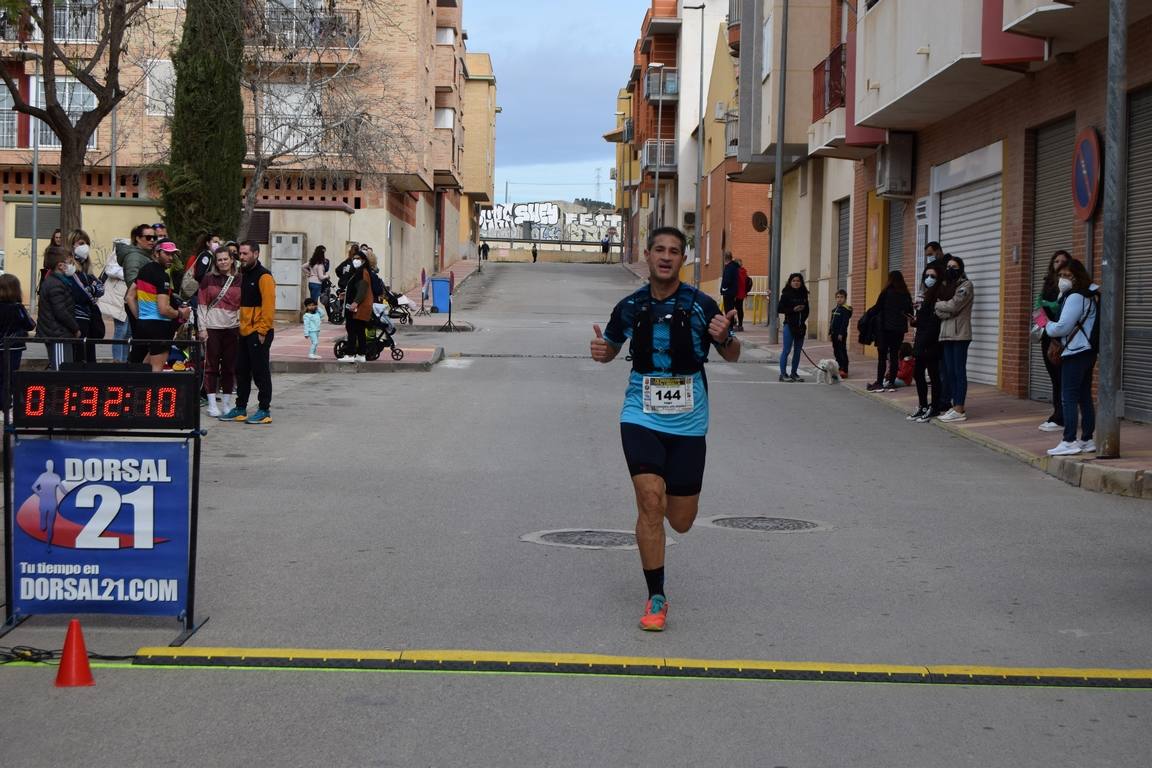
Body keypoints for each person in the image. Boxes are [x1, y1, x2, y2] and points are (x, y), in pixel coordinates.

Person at [590, 226, 740, 632]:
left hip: (690, 422)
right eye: (660, 249)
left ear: (683, 259)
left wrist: (725, 338)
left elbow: (733, 354)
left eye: (675, 251)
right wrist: (603, 353)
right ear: (649, 254)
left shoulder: (701, 305)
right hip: (641, 413)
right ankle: (656, 595)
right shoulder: (630, 306)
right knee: (650, 500)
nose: (666, 256)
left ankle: (669, 528)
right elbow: (612, 347)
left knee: (682, 519)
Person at [1043, 259, 1099, 456]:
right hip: (1087, 351)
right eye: (1060, 275)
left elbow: (1062, 327)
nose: (1062, 279)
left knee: (1068, 397)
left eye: (1067, 275)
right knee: (1084, 397)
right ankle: (1087, 439)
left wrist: (1045, 325)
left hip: (1076, 352)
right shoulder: (1089, 295)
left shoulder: (1075, 297)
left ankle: (1069, 441)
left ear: (1077, 276)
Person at [220, 241, 276, 425]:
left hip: (258, 331)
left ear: (256, 254)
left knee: (260, 373)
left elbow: (269, 306)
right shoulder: (244, 274)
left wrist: (262, 331)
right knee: (241, 371)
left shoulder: (264, 276)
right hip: (244, 331)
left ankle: (264, 410)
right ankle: (240, 408)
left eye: (245, 254)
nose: (241, 257)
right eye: (240, 254)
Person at [126, 239, 191, 372]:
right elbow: (164, 309)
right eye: (167, 254)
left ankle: (138, 392)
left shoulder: (144, 270)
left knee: (145, 368)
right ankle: (151, 393)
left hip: (143, 325)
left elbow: (129, 297)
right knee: (156, 371)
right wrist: (180, 314)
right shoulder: (162, 276)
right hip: (159, 327)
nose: (171, 258)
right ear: (156, 253)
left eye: (173, 254)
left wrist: (140, 317)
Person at [197, 245, 242, 417]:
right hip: (212, 327)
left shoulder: (240, 279)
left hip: (232, 328)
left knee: (229, 367)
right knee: (211, 366)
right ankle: (211, 404)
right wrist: (202, 328)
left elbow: (242, 305)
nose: (223, 262)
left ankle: (226, 404)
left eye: (226, 259)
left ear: (232, 260)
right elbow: (201, 305)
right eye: (219, 259)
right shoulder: (208, 279)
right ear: (216, 262)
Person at [934, 255, 975, 423]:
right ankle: (954, 405)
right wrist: (943, 308)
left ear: (961, 268)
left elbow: (954, 306)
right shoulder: (947, 286)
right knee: (949, 372)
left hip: (960, 335)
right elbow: (942, 312)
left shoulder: (966, 285)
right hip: (945, 334)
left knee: (959, 372)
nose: (950, 269)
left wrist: (937, 304)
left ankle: (959, 407)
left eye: (954, 266)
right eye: (948, 266)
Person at [1035, 249, 1071, 432]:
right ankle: (1058, 413)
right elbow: (1038, 310)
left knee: (1062, 378)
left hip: (1063, 338)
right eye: (1056, 261)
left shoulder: (1068, 287)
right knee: (1055, 379)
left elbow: (1063, 313)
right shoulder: (1048, 284)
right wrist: (1042, 323)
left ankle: (1062, 416)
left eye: (1063, 261)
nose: (1059, 264)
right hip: (1047, 336)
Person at [36, 247, 82, 370]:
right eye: (70, 262)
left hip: (58, 332)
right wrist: (75, 328)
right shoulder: (55, 284)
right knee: (60, 371)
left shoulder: (58, 281)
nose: (73, 265)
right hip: (58, 334)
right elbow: (60, 311)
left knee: (62, 369)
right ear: (61, 266)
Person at [117, 223, 157, 363]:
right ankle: (134, 374)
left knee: (145, 343)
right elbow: (132, 282)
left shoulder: (147, 255)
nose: (152, 240)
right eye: (148, 237)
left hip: (146, 303)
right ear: (138, 239)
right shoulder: (134, 256)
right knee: (142, 343)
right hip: (139, 303)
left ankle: (138, 372)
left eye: (154, 237)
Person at [867, 271, 913, 392]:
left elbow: (877, 308)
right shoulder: (906, 294)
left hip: (884, 330)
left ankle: (879, 382)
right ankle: (891, 383)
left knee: (882, 357)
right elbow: (910, 312)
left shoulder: (886, 293)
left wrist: (867, 315)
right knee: (894, 356)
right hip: (898, 330)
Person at [908, 266, 943, 422]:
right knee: (918, 373)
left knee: (934, 375)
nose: (929, 279)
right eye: (927, 275)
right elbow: (922, 321)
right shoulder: (924, 295)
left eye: (933, 276)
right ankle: (923, 405)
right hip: (921, 339)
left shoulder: (939, 295)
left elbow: (934, 322)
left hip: (932, 341)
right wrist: (914, 320)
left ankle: (934, 407)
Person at [67, 229, 104, 362]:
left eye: (87, 244)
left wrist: (91, 289)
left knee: (89, 358)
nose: (85, 247)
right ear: (72, 245)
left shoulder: (86, 270)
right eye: (81, 243)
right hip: (76, 318)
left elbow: (100, 288)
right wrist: (91, 289)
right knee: (79, 359)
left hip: (88, 318)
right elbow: (80, 294)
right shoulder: (69, 268)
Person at [0, 274, 35, 407]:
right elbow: (30, 325)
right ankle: (6, 404)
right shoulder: (17, 308)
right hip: (13, 347)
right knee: (9, 377)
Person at [338, 250, 372, 363]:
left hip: (357, 308)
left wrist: (355, 302)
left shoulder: (362, 272)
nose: (355, 260)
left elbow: (362, 289)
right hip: (359, 307)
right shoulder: (360, 271)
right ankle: (361, 354)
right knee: (359, 331)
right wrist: (346, 294)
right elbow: (356, 288)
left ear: (363, 260)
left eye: (358, 258)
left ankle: (350, 354)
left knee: (352, 329)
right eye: (354, 258)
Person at [777, 273, 809, 382]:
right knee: (786, 350)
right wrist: (793, 310)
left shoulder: (804, 294)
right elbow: (779, 309)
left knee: (798, 350)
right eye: (794, 281)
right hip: (789, 325)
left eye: (798, 281)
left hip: (800, 326)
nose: (796, 283)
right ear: (790, 282)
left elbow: (807, 310)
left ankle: (794, 373)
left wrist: (802, 317)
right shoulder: (786, 294)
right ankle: (783, 374)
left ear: (801, 282)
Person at [96, 256, 129, 362]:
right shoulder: (120, 250)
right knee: (121, 330)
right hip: (118, 298)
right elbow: (110, 269)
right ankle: (118, 361)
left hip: (128, 297)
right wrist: (130, 273)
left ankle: (124, 361)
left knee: (128, 333)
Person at [829, 288, 852, 378]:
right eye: (837, 297)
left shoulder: (845, 309)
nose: (839, 299)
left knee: (842, 351)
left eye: (841, 297)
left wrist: (841, 333)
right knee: (836, 351)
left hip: (840, 334)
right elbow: (831, 322)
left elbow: (845, 323)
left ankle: (844, 369)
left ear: (845, 298)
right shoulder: (834, 310)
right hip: (834, 334)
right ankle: (838, 368)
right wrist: (830, 333)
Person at [719, 252, 739, 317]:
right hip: (733, 291)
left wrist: (723, 288)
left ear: (725, 259)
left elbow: (727, 280)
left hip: (728, 292)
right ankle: (732, 323)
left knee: (728, 310)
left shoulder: (728, 267)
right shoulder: (735, 266)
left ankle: (730, 325)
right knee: (731, 308)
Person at [734, 259, 750, 332]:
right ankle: (740, 324)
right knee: (740, 309)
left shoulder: (736, 272)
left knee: (733, 308)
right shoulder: (744, 271)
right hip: (742, 293)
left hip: (736, 293)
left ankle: (734, 323)